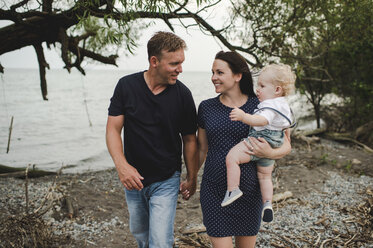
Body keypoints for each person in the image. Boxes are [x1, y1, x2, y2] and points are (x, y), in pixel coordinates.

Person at [106, 31, 198, 248]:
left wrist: (192, 176)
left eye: (182, 63)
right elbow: (112, 129)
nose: (180, 69)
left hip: (166, 179)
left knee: (160, 241)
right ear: (154, 61)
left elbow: (190, 139)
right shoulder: (126, 86)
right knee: (141, 234)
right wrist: (122, 166)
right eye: (174, 63)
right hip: (133, 181)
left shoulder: (183, 95)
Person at [197, 51, 291, 248]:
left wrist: (270, 154)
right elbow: (201, 149)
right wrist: (190, 178)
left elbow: (286, 144)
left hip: (250, 192)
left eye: (220, 72)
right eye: (213, 72)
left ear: (238, 76)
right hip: (214, 191)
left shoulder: (263, 106)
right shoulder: (206, 108)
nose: (214, 77)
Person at [221, 64, 296, 224]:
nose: (258, 90)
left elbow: (262, 120)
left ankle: (233, 189)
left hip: (260, 140)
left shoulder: (271, 105)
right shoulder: (284, 106)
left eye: (262, 86)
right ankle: (267, 203)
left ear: (277, 90)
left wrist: (243, 116)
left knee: (232, 158)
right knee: (265, 176)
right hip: (274, 142)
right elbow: (285, 132)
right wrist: (271, 152)